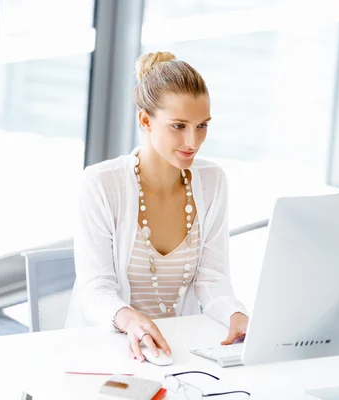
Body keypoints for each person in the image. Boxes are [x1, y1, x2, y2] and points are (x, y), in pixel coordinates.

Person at [65, 51, 249, 362]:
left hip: (179, 350)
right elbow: (96, 289)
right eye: (179, 126)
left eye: (202, 125)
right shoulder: (101, 184)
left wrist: (236, 315)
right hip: (111, 347)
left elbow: (211, 278)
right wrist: (131, 320)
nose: (193, 141)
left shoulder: (212, 181)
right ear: (146, 120)